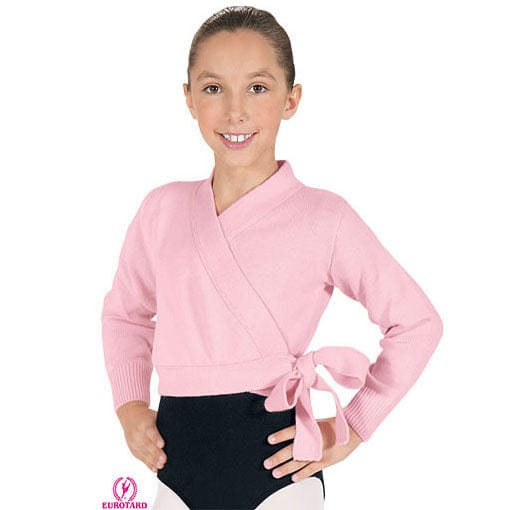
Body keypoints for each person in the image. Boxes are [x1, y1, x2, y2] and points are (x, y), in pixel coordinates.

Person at [101, 6, 443, 510]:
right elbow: (125, 314)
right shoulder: (161, 209)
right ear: (189, 98)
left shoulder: (325, 217)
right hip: (174, 469)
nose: (235, 111)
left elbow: (417, 323)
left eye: (257, 88)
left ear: (291, 99)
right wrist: (130, 405)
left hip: (281, 476)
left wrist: (354, 424)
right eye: (213, 88)